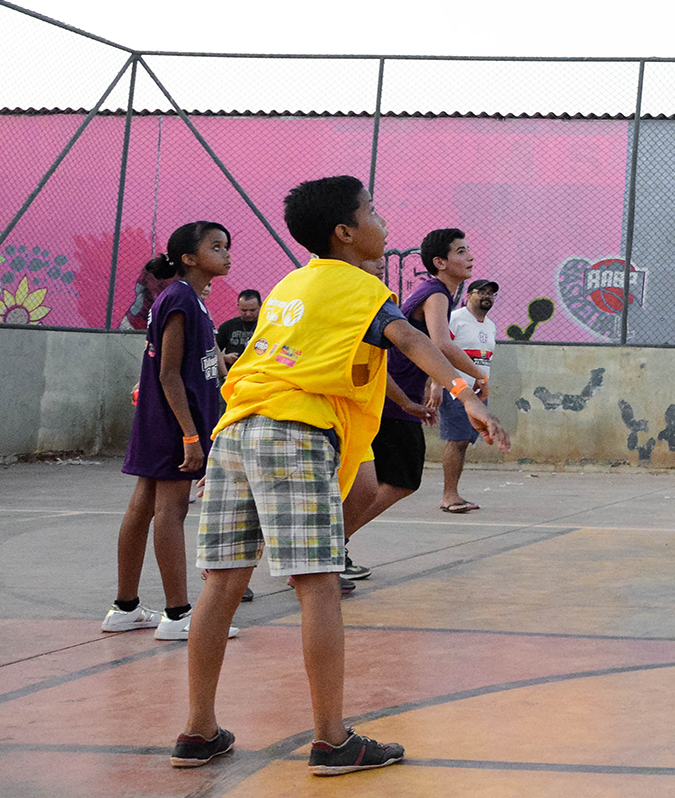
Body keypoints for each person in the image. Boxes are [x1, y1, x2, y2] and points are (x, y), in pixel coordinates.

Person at [174, 175, 510, 773]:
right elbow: (407, 338)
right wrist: (468, 394)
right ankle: (333, 739)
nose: (383, 221)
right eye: (373, 211)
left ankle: (198, 731)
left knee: (222, 584)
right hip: (294, 429)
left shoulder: (292, 284)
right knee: (318, 584)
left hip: (239, 425)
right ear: (347, 232)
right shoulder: (360, 285)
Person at [104, 222, 241, 641]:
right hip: (170, 423)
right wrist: (190, 436)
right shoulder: (180, 298)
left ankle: (125, 608)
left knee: (143, 505)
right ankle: (178, 614)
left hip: (164, 421)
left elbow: (200, 367)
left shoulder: (192, 300)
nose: (226, 253)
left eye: (227, 245)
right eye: (216, 246)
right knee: (170, 511)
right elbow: (167, 373)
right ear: (189, 258)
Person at [342, 228, 489, 557]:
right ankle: (332, 545)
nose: (470, 257)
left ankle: (332, 545)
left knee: (383, 480)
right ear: (440, 262)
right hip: (389, 396)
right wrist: (477, 376)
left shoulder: (438, 293)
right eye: (461, 252)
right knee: (400, 479)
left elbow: (426, 348)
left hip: (396, 395)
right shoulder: (435, 293)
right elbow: (441, 344)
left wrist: (433, 382)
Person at [440, 278, 499, 513]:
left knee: (464, 442)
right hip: (456, 390)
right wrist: (436, 385)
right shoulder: (455, 319)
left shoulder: (491, 326)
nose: (487, 296)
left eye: (491, 293)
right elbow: (439, 350)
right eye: (481, 292)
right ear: (468, 295)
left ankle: (454, 493)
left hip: (478, 393)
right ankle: (448, 496)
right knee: (457, 440)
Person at [215, 289, 263, 373]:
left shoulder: (266, 325)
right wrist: (225, 358)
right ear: (238, 306)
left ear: (261, 306)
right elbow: (212, 351)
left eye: (252, 310)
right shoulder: (228, 326)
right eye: (244, 310)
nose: (248, 314)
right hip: (233, 371)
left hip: (257, 371)